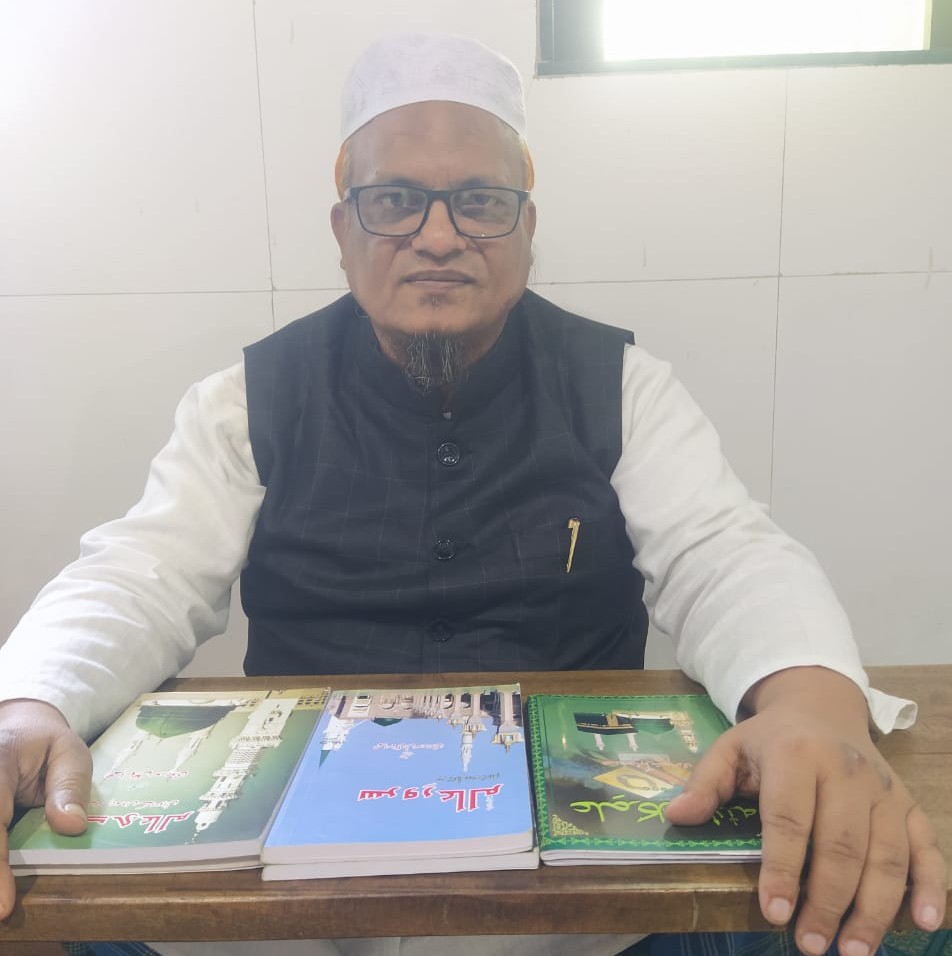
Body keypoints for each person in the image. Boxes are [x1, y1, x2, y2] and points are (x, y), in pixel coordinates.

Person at [0, 32, 946, 956]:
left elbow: (725, 552)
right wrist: (30, 703)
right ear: (343, 232)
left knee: (886, 902)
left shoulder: (621, 386)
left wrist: (812, 704)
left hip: (584, 907)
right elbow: (141, 574)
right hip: (287, 906)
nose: (439, 237)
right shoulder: (247, 400)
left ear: (528, 229)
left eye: (481, 202)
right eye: (395, 201)